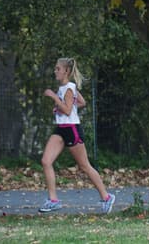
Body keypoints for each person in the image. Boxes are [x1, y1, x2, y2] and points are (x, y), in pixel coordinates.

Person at [38, 57, 115, 214]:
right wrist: (60, 108)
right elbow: (81, 102)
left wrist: (54, 98)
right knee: (46, 161)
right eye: (55, 68)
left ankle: (107, 197)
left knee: (84, 166)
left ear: (66, 71)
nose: (55, 71)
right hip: (61, 129)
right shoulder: (67, 87)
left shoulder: (68, 88)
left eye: (57, 69)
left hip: (72, 129)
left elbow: (67, 110)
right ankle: (53, 200)